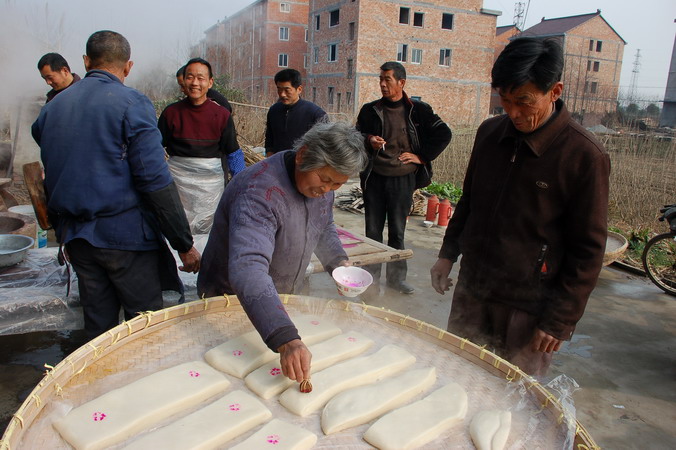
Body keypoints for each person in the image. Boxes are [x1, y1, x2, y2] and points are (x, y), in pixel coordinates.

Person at [430, 37, 610, 377]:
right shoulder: (489, 134)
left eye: (524, 102)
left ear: (554, 91)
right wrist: (447, 254)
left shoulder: (583, 155)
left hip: (527, 306)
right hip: (474, 289)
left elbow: (588, 251)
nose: (513, 112)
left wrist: (558, 321)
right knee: (456, 376)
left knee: (513, 396)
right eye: (505, 100)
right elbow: (469, 201)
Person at [31, 30, 201, 339]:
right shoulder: (131, 103)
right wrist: (184, 244)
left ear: (86, 61)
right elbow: (154, 180)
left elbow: (49, 153)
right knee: (144, 329)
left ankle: (101, 384)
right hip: (124, 241)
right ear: (128, 66)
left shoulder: (53, 108)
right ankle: (142, 383)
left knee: (98, 329)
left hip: (78, 240)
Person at [197, 121, 367, 383]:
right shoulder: (259, 190)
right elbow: (248, 267)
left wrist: (338, 263)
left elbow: (324, 224)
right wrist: (285, 338)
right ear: (302, 156)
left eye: (336, 185)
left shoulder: (321, 187)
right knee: (229, 380)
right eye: (324, 180)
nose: (327, 190)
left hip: (276, 300)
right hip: (232, 302)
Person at [357, 61, 451, 295]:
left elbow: (444, 133)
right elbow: (355, 134)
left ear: (402, 82)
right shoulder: (370, 110)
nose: (382, 84)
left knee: (397, 233)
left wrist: (422, 156)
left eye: (387, 79)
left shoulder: (418, 110)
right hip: (375, 178)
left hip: (402, 179)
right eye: (380, 79)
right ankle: (371, 279)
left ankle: (396, 280)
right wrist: (369, 140)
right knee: (373, 232)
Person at [159, 58, 246, 234]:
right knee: (176, 232)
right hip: (178, 186)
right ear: (183, 80)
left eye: (201, 78)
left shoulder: (221, 114)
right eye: (190, 77)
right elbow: (154, 149)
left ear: (210, 82)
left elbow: (233, 153)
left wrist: (242, 184)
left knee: (209, 234)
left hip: (210, 190)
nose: (195, 83)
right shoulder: (171, 113)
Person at [265, 68, 327, 157]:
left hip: (305, 166)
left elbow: (324, 146)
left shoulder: (315, 114)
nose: (282, 94)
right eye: (279, 89)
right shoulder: (274, 110)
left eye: (287, 90)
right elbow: (269, 140)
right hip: (279, 164)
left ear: (299, 89)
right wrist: (270, 159)